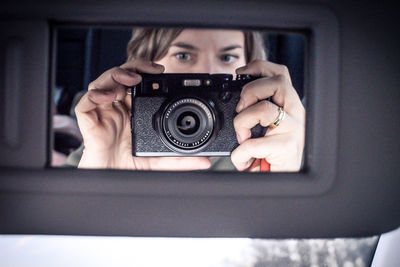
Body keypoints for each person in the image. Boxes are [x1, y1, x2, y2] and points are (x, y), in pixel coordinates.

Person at [74, 28, 305, 172]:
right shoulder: (116, 138)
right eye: (183, 56)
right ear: (145, 65)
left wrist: (288, 173)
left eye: (227, 57)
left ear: (252, 69)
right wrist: (104, 172)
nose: (206, 72)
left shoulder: (269, 147)